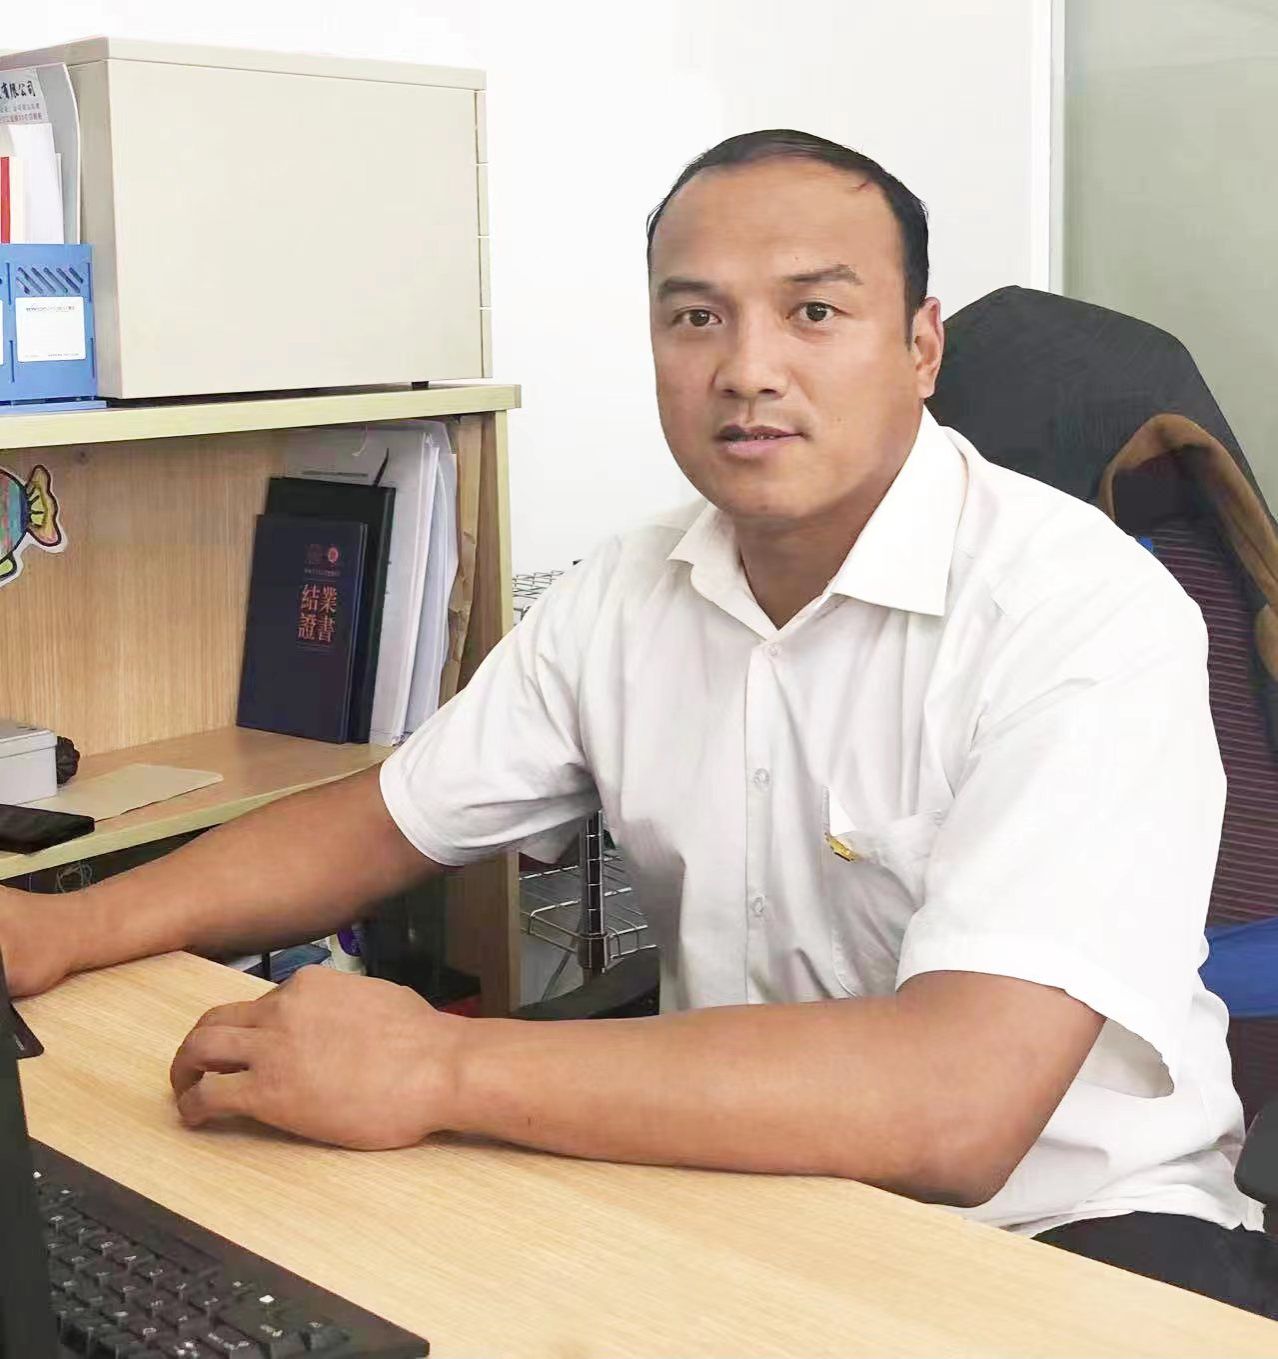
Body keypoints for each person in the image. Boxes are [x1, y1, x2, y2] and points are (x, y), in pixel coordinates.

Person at [3, 129, 1275, 1313]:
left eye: (815, 312)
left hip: (1070, 1229)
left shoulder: (1083, 614)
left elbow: (957, 1108)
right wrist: (64, 928)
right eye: (695, 317)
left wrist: (441, 1067)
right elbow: (387, 819)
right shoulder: (630, 586)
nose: (747, 370)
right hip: (742, 1186)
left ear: (921, 347)